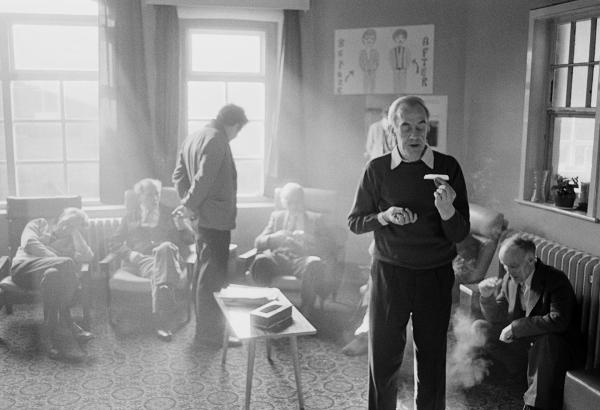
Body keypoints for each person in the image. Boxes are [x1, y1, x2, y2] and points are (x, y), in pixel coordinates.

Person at [348, 95, 470, 410]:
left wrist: (446, 212)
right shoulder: (377, 169)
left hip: (435, 274)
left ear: (428, 128)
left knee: (431, 357)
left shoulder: (447, 167)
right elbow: (355, 222)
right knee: (384, 357)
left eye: (421, 126)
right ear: (392, 131)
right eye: (406, 127)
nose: (415, 135)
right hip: (390, 274)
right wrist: (385, 217)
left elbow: (460, 232)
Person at [172, 103, 248, 347]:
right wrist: (188, 206)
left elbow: (179, 176)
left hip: (202, 219)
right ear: (234, 124)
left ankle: (207, 331)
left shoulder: (193, 137)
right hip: (215, 220)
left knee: (204, 276)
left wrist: (189, 205)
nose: (236, 136)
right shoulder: (216, 139)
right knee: (212, 278)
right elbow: (204, 180)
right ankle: (209, 335)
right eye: (238, 131)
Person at [477, 234, 581, 410]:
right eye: (505, 266)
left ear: (531, 260)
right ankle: (508, 374)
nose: (508, 272)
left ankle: (534, 405)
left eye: (514, 266)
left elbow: (558, 321)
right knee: (479, 327)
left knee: (546, 340)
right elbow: (498, 317)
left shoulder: (555, 280)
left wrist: (516, 327)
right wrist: (486, 297)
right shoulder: (510, 279)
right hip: (524, 345)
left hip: (552, 351)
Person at [109, 178, 195, 342]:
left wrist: (182, 226)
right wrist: (130, 254)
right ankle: (163, 319)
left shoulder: (171, 213)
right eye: (149, 195)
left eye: (157, 194)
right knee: (160, 270)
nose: (154, 198)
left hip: (171, 257)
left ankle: (159, 318)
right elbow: (114, 242)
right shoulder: (130, 216)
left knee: (165, 248)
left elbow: (190, 241)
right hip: (141, 261)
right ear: (140, 197)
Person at [10, 207, 94, 359]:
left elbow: (87, 256)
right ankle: (69, 322)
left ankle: (50, 335)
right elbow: (29, 243)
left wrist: (75, 234)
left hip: (48, 278)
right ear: (60, 217)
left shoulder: (72, 240)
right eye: (67, 222)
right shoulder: (39, 223)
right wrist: (56, 258)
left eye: (73, 226)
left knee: (52, 275)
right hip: (23, 269)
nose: (67, 227)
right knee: (66, 263)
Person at [250, 182, 330, 315]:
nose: (293, 206)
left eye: (297, 202)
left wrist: (308, 238)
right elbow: (258, 242)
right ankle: (264, 309)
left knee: (313, 263)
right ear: (283, 202)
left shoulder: (315, 219)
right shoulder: (277, 217)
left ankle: (306, 313)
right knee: (260, 261)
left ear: (302, 201)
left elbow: (327, 245)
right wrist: (274, 237)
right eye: (289, 202)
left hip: (302, 259)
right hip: (279, 259)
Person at [389, 28, 411, 93]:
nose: (400, 40)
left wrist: (405, 67)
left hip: (403, 69)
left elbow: (408, 59)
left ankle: (403, 93)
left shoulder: (406, 50)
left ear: (405, 39)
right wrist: (393, 67)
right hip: (395, 69)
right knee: (396, 82)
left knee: (403, 82)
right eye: (398, 38)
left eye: (402, 38)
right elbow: (391, 59)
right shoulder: (392, 50)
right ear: (395, 39)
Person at [359, 28, 379, 94]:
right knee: (365, 84)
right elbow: (361, 62)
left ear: (374, 41)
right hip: (365, 71)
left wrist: (373, 68)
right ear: (363, 40)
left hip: (373, 71)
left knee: (372, 84)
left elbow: (377, 61)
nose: (369, 41)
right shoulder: (362, 52)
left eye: (372, 39)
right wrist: (365, 69)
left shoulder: (375, 52)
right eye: (367, 39)